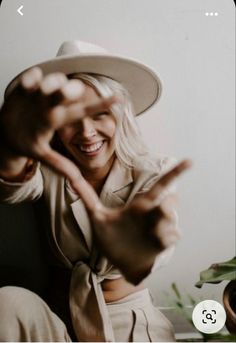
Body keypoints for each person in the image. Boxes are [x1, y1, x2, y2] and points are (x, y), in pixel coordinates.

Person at [0, 40, 191, 342]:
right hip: (58, 322)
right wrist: (12, 149)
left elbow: (160, 236)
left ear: (120, 113)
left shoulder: (153, 172)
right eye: (70, 118)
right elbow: (14, 187)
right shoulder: (46, 170)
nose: (86, 132)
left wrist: (141, 250)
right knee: (7, 302)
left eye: (99, 113)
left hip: (130, 326)